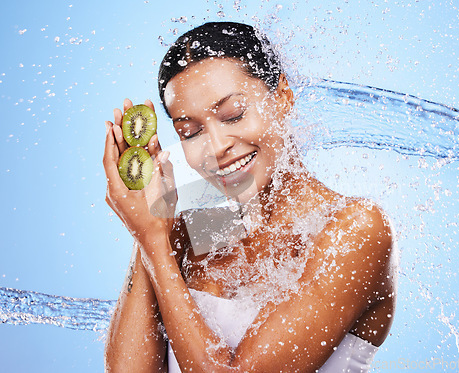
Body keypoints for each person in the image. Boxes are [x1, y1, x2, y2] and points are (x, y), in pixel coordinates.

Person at [103, 21, 396, 372]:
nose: (216, 147)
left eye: (233, 114)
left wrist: (154, 243)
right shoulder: (195, 229)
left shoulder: (355, 228)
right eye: (190, 131)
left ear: (283, 95)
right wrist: (148, 232)